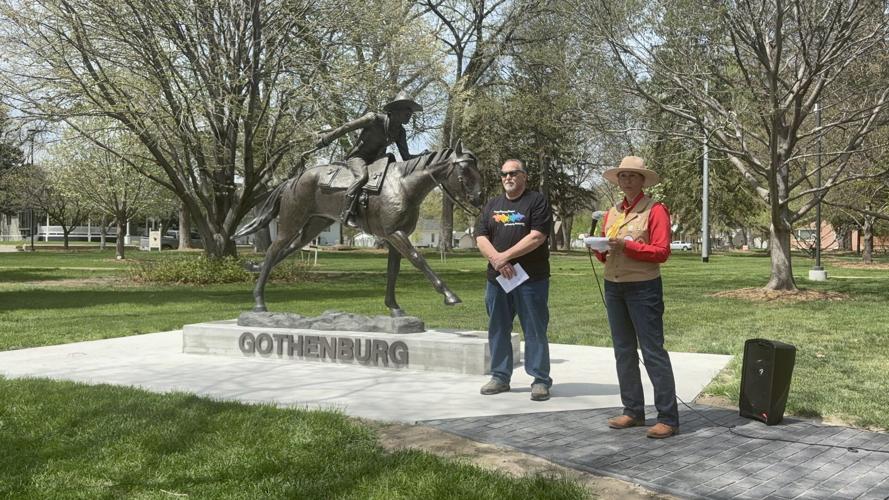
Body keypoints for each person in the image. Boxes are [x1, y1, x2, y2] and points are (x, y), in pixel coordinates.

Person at [590, 155, 679, 438]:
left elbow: (661, 252)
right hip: (614, 287)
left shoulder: (656, 210)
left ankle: (668, 417)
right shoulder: (612, 212)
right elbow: (607, 253)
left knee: (652, 351)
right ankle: (633, 411)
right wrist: (599, 248)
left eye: (632, 175)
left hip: (644, 288)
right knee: (623, 351)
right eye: (622, 176)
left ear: (643, 181)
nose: (626, 180)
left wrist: (627, 247)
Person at [475, 159, 553, 401]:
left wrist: (504, 257)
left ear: (524, 176)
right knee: (498, 327)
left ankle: (540, 380)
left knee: (534, 328)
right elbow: (480, 237)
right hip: (498, 279)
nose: (507, 177)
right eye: (504, 174)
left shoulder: (537, 201)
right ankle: (500, 376)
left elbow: (537, 237)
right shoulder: (492, 205)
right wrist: (497, 260)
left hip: (531, 278)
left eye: (513, 173)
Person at [315, 92, 422, 227]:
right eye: (407, 111)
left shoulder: (400, 132)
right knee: (362, 177)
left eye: (411, 112)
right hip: (358, 157)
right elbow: (347, 127)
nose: (410, 114)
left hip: (377, 161)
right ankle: (347, 213)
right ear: (396, 110)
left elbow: (406, 157)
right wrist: (326, 139)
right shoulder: (373, 119)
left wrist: (424, 156)